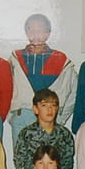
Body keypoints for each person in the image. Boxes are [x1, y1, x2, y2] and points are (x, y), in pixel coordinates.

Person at [9, 13, 78, 149]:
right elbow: (6, 88)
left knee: (47, 159)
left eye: (40, 30)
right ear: (26, 32)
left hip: (49, 118)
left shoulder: (61, 59)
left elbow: (73, 92)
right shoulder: (15, 58)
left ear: (48, 33)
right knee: (22, 158)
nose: (36, 34)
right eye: (32, 30)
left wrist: (60, 118)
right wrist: (14, 115)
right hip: (23, 116)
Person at [14, 88, 75, 169]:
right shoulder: (26, 134)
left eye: (53, 105)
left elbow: (67, 165)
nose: (49, 109)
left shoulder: (64, 134)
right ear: (35, 109)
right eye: (44, 105)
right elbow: (20, 166)